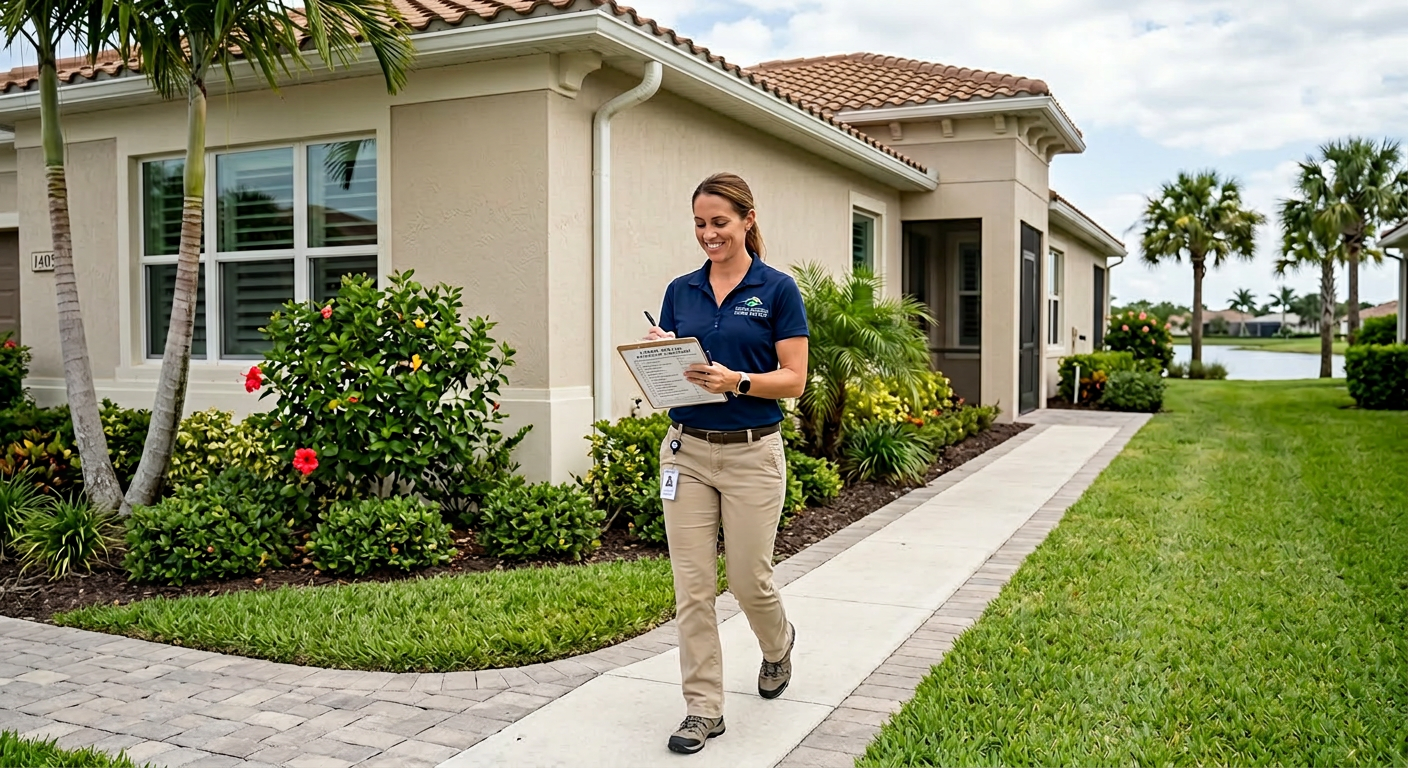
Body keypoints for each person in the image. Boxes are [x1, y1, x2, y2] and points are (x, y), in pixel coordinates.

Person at [644, 172, 810, 755]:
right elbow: (673, 370)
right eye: (699, 223)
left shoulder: (778, 289)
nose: (708, 233)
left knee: (747, 579)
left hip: (752, 454)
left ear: (747, 219)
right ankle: (703, 710)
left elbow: (794, 378)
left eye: (719, 222)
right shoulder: (681, 290)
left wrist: (737, 379)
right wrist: (662, 357)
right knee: (692, 589)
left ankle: (778, 643)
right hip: (686, 450)